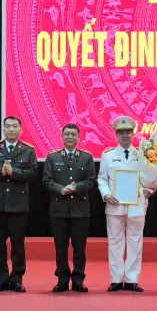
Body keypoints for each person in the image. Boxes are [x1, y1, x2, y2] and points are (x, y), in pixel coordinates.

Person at [97, 116, 155, 292]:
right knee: (115, 242)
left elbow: (151, 178)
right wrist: (106, 194)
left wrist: (149, 190)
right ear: (116, 135)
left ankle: (131, 279)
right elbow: (102, 179)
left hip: (137, 204)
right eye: (121, 132)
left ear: (133, 134)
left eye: (128, 132)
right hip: (114, 204)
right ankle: (116, 279)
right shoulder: (108, 156)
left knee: (135, 241)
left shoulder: (142, 155)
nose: (124, 135)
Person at [0, 116, 38, 293]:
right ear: (3, 129)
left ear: (21, 129)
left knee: (18, 245)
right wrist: (1, 171)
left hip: (18, 203)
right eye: (8, 126)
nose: (11, 129)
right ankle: (1, 279)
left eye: (14, 126)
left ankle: (17, 279)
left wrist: (14, 172)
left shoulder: (28, 150)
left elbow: (32, 174)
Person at [42, 123, 97, 293]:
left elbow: (91, 180)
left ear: (79, 137)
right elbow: (47, 180)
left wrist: (75, 188)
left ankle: (78, 279)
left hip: (80, 210)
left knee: (79, 248)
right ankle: (62, 280)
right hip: (59, 209)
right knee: (61, 247)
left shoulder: (87, 157)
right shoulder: (52, 157)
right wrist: (61, 189)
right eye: (67, 134)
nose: (70, 137)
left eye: (73, 134)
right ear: (62, 136)